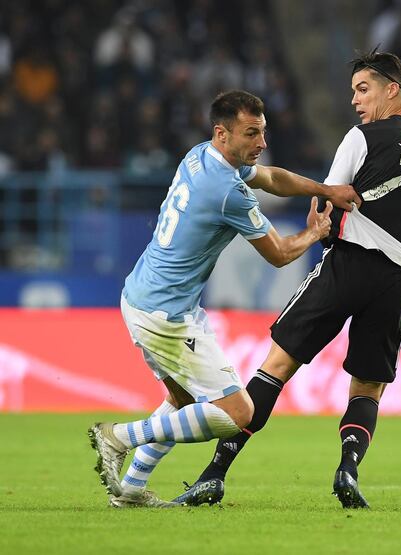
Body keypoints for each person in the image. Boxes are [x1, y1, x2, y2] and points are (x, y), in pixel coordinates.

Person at [174, 49, 401, 509]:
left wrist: (321, 226)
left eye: (363, 88)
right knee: (368, 388)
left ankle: (214, 474)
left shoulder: (363, 137)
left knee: (276, 368)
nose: (355, 100)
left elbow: (330, 202)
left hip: (347, 266)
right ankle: (348, 471)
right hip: (397, 283)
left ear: (392, 89)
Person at [88, 89, 359, 508]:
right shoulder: (227, 192)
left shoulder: (201, 155)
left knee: (180, 399)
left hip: (143, 297)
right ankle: (118, 436)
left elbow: (272, 177)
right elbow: (280, 254)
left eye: (263, 132)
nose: (262, 143)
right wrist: (317, 232)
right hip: (165, 315)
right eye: (252, 134)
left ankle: (130, 491)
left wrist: (324, 188)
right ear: (223, 133)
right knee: (238, 414)